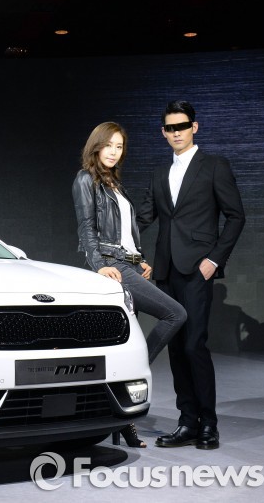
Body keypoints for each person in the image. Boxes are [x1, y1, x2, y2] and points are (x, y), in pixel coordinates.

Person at [136, 101, 246, 450]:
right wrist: (115, 244)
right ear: (163, 132)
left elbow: (236, 216)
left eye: (182, 126)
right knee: (176, 348)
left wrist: (214, 259)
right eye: (170, 128)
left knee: (194, 344)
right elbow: (143, 219)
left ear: (194, 127)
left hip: (198, 268)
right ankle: (187, 422)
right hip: (166, 269)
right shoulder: (159, 173)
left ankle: (209, 423)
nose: (177, 133)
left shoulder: (214, 165)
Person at [72, 121, 187, 448]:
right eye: (108, 145)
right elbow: (86, 229)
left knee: (127, 339)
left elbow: (125, 232)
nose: (113, 152)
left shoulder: (114, 182)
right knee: (175, 314)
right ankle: (133, 372)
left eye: (119, 146)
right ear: (96, 146)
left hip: (129, 263)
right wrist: (100, 265)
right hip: (113, 266)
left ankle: (124, 422)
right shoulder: (86, 179)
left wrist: (140, 258)